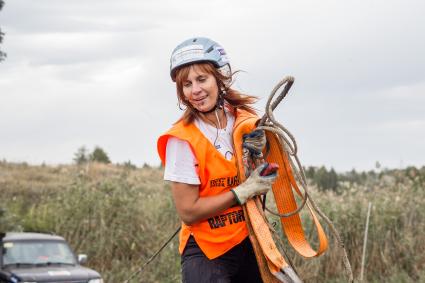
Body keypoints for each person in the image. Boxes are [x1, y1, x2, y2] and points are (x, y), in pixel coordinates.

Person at [157, 37, 277, 283]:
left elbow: (261, 170)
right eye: (187, 84)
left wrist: (263, 154)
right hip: (206, 251)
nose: (195, 90)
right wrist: (242, 192)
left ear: (220, 78)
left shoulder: (243, 120)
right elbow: (189, 211)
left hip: (249, 238)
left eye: (202, 79)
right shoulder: (182, 139)